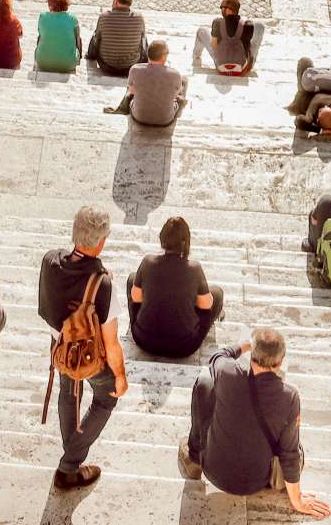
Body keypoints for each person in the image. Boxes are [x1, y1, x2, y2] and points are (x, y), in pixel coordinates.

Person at [178, 328, 328, 517]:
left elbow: (217, 356)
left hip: (213, 470)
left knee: (205, 381)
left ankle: (193, 456)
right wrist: (296, 499)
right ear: (281, 361)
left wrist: (245, 346)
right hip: (258, 481)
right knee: (295, 445)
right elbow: (290, 454)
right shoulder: (289, 396)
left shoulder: (227, 372)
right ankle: (279, 484)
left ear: (252, 355)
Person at [38, 203, 128, 492]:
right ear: (101, 242)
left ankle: (72, 452)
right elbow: (111, 343)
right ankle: (69, 466)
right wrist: (121, 376)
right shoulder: (103, 285)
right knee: (106, 397)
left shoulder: (50, 260)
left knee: (69, 392)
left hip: (60, 346)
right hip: (90, 354)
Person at [128, 215, 222, 357]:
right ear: (186, 242)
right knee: (217, 293)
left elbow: (136, 297)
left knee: (132, 279)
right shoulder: (194, 268)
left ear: (162, 238)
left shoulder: (148, 262)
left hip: (144, 340)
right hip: (184, 346)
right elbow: (205, 305)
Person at [105, 39, 187, 125]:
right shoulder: (175, 74)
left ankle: (122, 108)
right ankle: (178, 114)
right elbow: (175, 95)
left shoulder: (135, 69)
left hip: (139, 117)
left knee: (132, 84)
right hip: (165, 120)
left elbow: (131, 92)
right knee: (184, 81)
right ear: (164, 56)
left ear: (148, 54)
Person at [87, 0, 149, 75]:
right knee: (143, 37)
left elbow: (96, 39)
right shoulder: (139, 18)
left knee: (96, 35)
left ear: (116, 2)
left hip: (107, 66)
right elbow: (143, 42)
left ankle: (91, 56)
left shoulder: (104, 16)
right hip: (130, 67)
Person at [34, 0, 82, 73]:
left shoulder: (43, 17)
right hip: (67, 65)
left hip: (43, 62)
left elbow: (40, 36)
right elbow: (77, 39)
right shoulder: (72, 18)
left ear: (50, 5)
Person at [210, 0, 255, 73]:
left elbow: (213, 45)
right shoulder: (248, 24)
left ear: (229, 10)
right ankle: (250, 65)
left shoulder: (217, 22)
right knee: (258, 28)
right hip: (239, 67)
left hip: (220, 66)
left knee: (201, 31)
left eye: (223, 8)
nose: (222, 10)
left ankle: (196, 59)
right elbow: (247, 48)